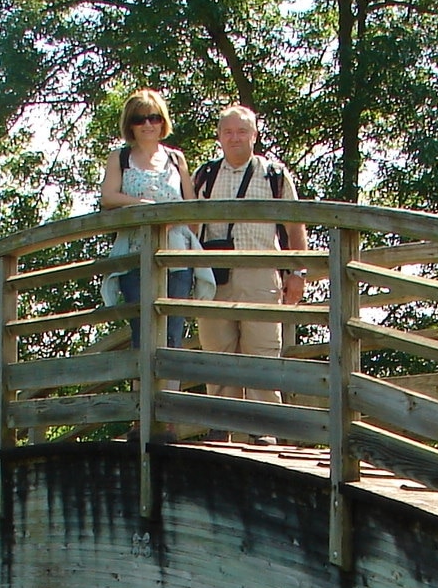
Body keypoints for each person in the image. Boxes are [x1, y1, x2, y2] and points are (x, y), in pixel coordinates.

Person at [192, 104, 308, 407]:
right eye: (228, 132)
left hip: (261, 272)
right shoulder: (205, 175)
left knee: (264, 354)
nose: (235, 138)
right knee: (217, 355)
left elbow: (295, 225)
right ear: (218, 136)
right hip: (214, 275)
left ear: (254, 135)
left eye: (242, 131)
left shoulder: (274, 175)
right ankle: (221, 428)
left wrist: (298, 273)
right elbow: (190, 227)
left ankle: (265, 430)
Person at [99, 88, 210, 351]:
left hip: (176, 254)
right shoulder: (120, 157)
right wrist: (145, 209)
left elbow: (190, 206)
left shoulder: (175, 158)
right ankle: (144, 392)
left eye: (153, 117)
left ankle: (169, 391)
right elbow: (108, 197)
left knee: (173, 334)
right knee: (143, 333)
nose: (147, 124)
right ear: (130, 126)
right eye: (139, 119)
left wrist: (179, 229)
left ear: (162, 121)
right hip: (136, 253)